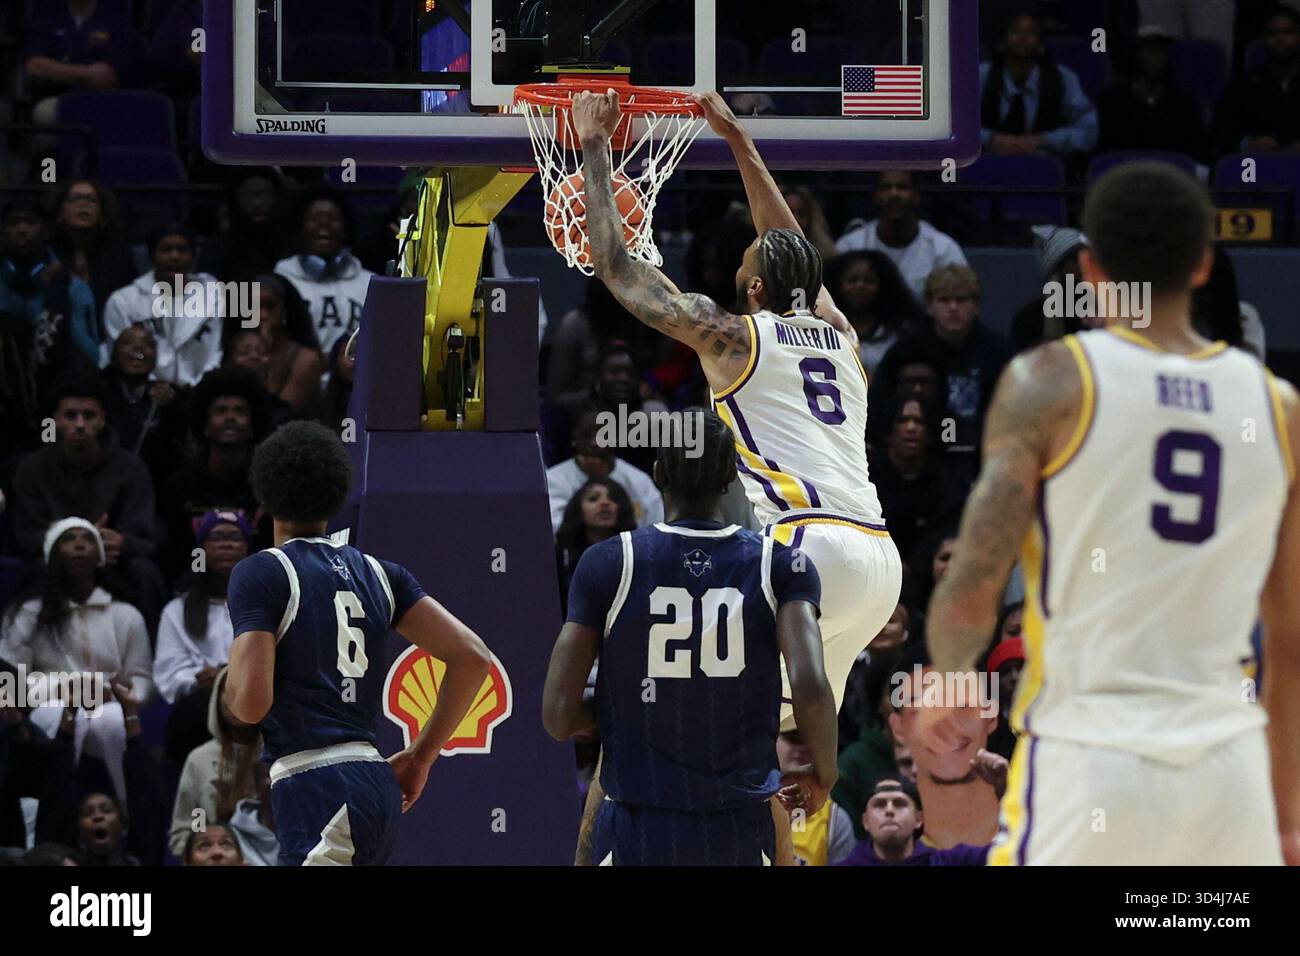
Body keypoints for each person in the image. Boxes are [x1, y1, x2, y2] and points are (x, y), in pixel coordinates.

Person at [921, 162, 1300, 865]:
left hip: (1090, 754)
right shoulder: (1278, 408)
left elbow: (974, 584)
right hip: (1229, 766)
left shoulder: (1048, 381)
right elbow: (1291, 641)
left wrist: (948, 682)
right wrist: (1283, 816)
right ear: (1203, 265)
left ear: (1091, 268)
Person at [574, 89, 903, 736]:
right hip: (878, 559)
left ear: (754, 290)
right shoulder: (842, 337)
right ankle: (802, 819)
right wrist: (735, 139)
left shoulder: (735, 337)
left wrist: (592, 145)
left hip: (806, 544)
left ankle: (631, 832)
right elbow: (787, 245)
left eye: (747, 260)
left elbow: (617, 269)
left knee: (697, 716)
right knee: (793, 747)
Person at [543, 411, 837, 865]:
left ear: (658, 471)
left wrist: (632, 707)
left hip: (637, 824)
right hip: (737, 823)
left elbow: (558, 717)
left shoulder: (607, 562)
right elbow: (811, 686)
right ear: (730, 478)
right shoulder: (781, 565)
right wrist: (826, 771)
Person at [221, 421, 494, 865]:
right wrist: (421, 756)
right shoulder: (382, 572)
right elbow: (473, 657)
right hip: (372, 779)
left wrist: (231, 680)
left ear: (264, 497)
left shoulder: (261, 571)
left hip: (317, 782)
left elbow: (251, 705)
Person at [0, 520, 154, 811]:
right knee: (67, 715)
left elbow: (143, 679)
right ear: (52, 554)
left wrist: (124, 694)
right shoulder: (28, 614)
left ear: (101, 556)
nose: (80, 545)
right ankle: (56, 811)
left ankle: (125, 808)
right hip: (49, 703)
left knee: (110, 720)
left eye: (88, 539)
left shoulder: (125, 614)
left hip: (110, 702)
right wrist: (62, 689)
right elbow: (10, 682)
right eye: (69, 539)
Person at [11, 374, 166, 629]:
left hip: (114, 563)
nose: (80, 425)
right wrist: (75, 541)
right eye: (70, 416)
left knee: (144, 572)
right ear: (55, 421)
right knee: (34, 571)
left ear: (103, 419)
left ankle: (150, 661)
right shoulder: (33, 468)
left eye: (89, 416)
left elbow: (144, 536)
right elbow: (27, 535)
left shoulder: (130, 467)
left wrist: (120, 542)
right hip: (54, 561)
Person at [155, 510, 251, 763]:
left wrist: (227, 675)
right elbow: (169, 678)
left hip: (253, 697)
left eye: (235, 537)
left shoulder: (264, 604)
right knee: (193, 711)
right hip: (199, 704)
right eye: (217, 536)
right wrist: (200, 680)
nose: (227, 543)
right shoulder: (176, 611)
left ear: (247, 549)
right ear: (201, 549)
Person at [101, 224, 224, 387]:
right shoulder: (124, 301)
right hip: (143, 391)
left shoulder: (211, 295)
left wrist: (199, 388)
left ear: (193, 256)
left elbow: (214, 352)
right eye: (166, 250)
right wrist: (151, 385)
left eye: (182, 250)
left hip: (199, 392)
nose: (175, 256)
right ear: (152, 256)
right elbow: (121, 356)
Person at [978, 13, 1099, 158]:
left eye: (1030, 33)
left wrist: (1044, 140)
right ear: (1002, 42)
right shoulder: (980, 76)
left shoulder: (1063, 78)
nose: (1023, 38)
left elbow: (1088, 130)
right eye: (1016, 31)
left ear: (1041, 45)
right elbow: (958, 128)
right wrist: (991, 139)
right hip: (987, 163)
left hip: (1045, 164)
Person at [835, 171, 968, 302]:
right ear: (876, 196)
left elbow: (962, 301)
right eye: (886, 188)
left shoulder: (943, 250)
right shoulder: (850, 247)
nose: (894, 194)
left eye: (903, 187)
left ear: (916, 195)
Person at [274, 189, 375, 357]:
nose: (324, 224)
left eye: (333, 218)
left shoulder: (369, 283)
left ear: (346, 228)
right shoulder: (281, 280)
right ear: (301, 228)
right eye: (314, 219)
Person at [1098, 25, 1206, 159]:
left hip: (1172, 175)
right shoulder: (1112, 101)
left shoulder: (1185, 104)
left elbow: (1194, 151)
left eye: (1163, 50)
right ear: (1134, 54)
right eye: (1150, 50)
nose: (1158, 56)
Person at [547, 410, 664, 533]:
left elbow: (656, 526)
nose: (594, 443)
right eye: (586, 436)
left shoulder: (639, 480)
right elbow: (552, 530)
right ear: (574, 440)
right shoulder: (553, 480)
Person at [836, 776, 990, 866]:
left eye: (899, 804)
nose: (889, 810)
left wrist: (1005, 790)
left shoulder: (950, 862)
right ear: (866, 821)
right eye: (879, 804)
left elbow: (1010, 852)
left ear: (918, 820)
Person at [101, 324, 187, 483]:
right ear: (114, 353)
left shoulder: (169, 397)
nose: (139, 348)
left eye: (148, 344)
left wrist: (172, 408)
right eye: (128, 342)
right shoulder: (97, 391)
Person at [1212, 5, 1300, 155]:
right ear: (1264, 38)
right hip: (1253, 166)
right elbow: (1217, 135)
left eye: (1288, 32)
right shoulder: (1244, 84)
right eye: (1272, 33)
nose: (1280, 39)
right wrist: (1247, 144)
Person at [825, 250, 924, 375]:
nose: (860, 286)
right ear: (838, 285)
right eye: (852, 280)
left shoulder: (901, 332)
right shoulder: (825, 328)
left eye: (869, 281)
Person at [49, 179, 136, 321]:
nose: (84, 204)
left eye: (92, 200)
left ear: (102, 214)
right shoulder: (45, 252)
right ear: (59, 212)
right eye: (75, 199)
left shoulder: (119, 255)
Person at [554, 477, 638, 615]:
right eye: (593, 498)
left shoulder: (636, 554)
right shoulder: (561, 555)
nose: (605, 503)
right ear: (578, 508)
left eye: (613, 499)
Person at [244, 273, 323, 414]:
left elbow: (282, 414)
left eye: (270, 306)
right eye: (255, 306)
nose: (262, 314)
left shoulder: (305, 359)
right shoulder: (236, 349)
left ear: (284, 311)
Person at [778, 730, 856, 866]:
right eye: (794, 739)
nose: (803, 748)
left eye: (811, 742)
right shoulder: (749, 802)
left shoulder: (834, 818)